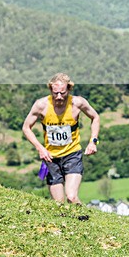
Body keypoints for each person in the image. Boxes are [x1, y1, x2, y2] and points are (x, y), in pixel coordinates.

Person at [22, 73, 100, 204]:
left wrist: (93, 141)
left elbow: (95, 117)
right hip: (51, 158)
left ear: (69, 89)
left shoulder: (77, 103)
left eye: (62, 93)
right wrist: (40, 148)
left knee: (71, 197)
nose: (59, 97)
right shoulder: (41, 105)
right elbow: (26, 127)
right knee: (58, 204)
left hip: (72, 155)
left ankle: (86, 219)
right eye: (55, 93)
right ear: (50, 90)